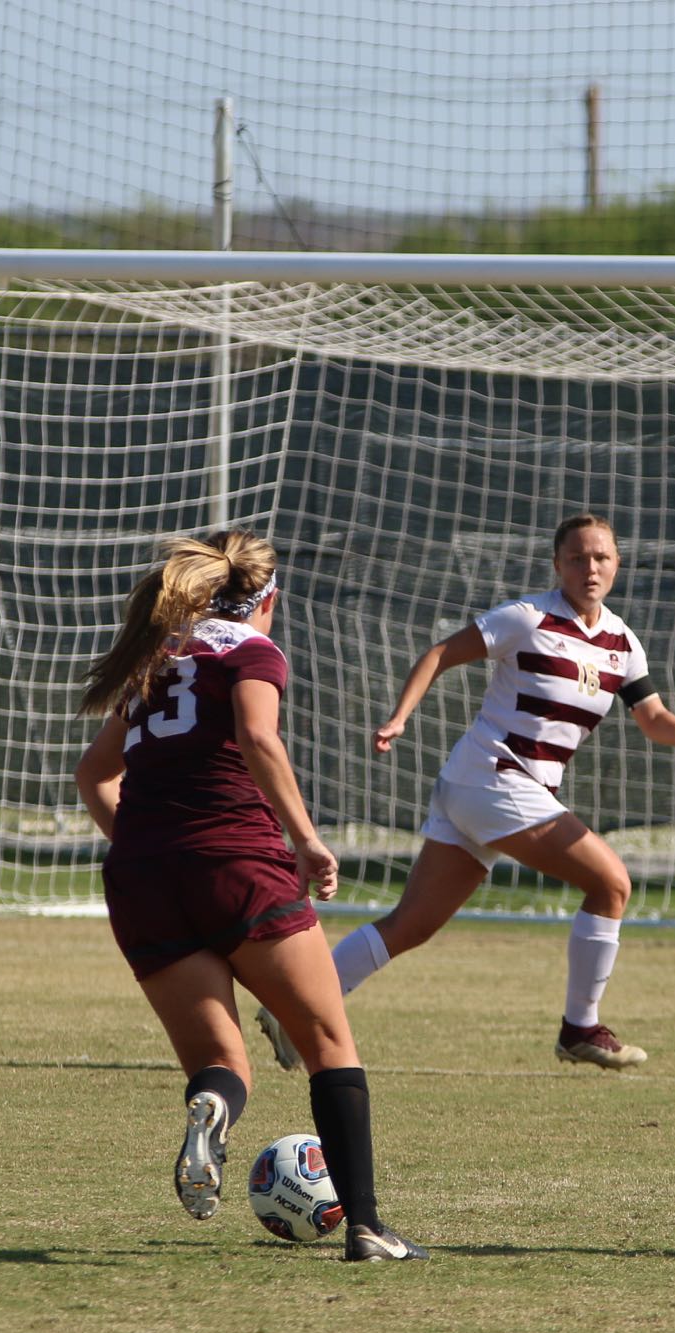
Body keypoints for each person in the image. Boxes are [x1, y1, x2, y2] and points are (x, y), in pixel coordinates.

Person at [73, 527, 425, 1262]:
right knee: (329, 1045)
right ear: (267, 599)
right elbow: (260, 739)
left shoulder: (157, 656)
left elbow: (92, 776)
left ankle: (214, 1110)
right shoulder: (254, 652)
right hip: (236, 861)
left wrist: (150, 852)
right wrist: (306, 839)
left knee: (226, 1063)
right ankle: (366, 1227)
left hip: (141, 876)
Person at [260, 512, 675, 1072]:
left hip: (486, 787)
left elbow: (653, 718)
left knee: (411, 925)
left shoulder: (623, 643)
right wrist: (400, 716)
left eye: (601, 557)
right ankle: (580, 1028)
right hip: (495, 778)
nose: (589, 567)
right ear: (558, 565)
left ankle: (290, 1008)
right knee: (610, 883)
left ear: (617, 565)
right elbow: (439, 654)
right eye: (577, 557)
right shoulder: (528, 618)